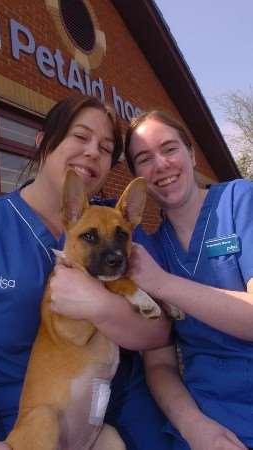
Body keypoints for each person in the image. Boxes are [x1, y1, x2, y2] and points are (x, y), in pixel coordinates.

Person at [0, 94, 171, 450]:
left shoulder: (114, 225)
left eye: (105, 148)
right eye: (80, 136)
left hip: (118, 419)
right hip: (20, 424)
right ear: (43, 142)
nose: (92, 152)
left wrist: (99, 305)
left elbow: (160, 331)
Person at [123, 109, 253, 450]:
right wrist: (194, 427)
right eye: (144, 159)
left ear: (191, 154)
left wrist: (162, 283)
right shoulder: (150, 247)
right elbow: (160, 363)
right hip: (208, 418)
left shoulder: (239, 201)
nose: (161, 165)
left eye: (169, 148)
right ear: (136, 175)